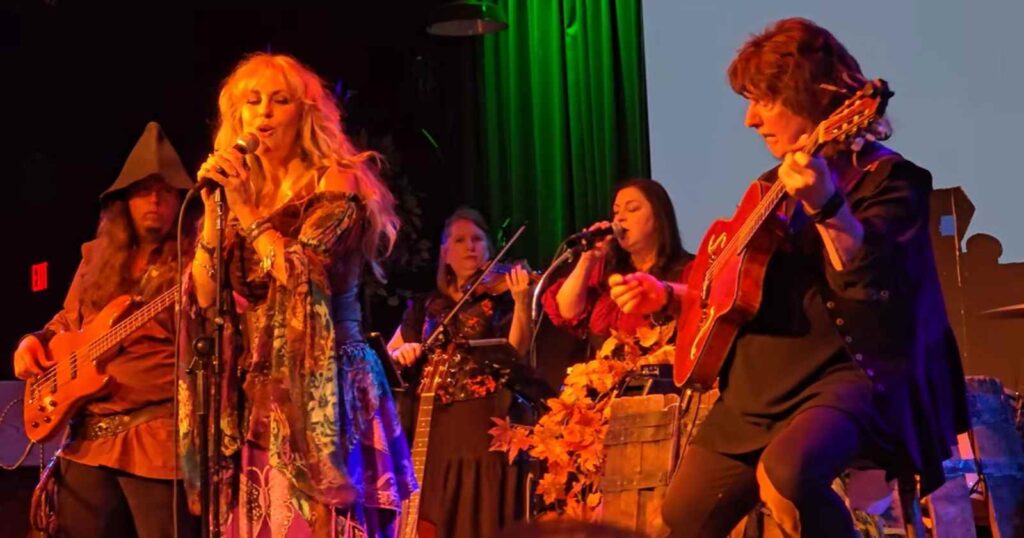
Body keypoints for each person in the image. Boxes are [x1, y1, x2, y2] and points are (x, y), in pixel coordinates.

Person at [608, 18, 969, 537]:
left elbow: (872, 282)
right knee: (683, 516)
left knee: (787, 476)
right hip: (760, 385)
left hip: (850, 374)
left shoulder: (890, 180)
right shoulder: (767, 187)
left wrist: (827, 205)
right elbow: (740, 288)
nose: (750, 119)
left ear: (812, 97)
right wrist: (670, 295)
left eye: (763, 101)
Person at [180, 52, 415, 537]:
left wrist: (247, 213)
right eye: (252, 101)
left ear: (304, 114)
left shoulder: (337, 180)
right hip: (257, 392)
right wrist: (214, 214)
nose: (264, 112)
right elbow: (203, 295)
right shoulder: (237, 191)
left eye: (279, 100)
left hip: (326, 385)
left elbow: (303, 275)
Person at [12, 121, 197, 538]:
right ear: (124, 200)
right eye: (144, 190)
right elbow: (65, 322)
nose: (155, 200)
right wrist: (32, 343)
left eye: (166, 191)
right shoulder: (97, 258)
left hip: (157, 442)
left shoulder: (195, 264)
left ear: (182, 201)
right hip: (87, 443)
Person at [387, 207, 534, 538]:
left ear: (489, 248)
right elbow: (389, 354)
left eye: (477, 239)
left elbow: (516, 351)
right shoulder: (425, 305)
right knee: (434, 508)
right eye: (460, 240)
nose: (470, 247)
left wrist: (522, 302)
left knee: (474, 507)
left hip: (480, 420)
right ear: (444, 253)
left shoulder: (500, 302)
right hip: (432, 421)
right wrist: (401, 353)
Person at [543, 178, 693, 349]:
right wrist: (588, 259)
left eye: (632, 209)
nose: (619, 218)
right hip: (605, 365)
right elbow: (567, 311)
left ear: (659, 217)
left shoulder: (689, 270)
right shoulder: (605, 271)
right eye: (616, 212)